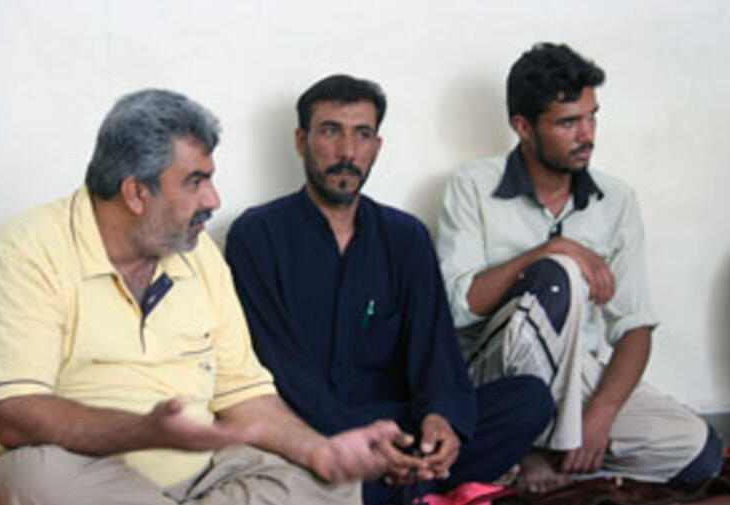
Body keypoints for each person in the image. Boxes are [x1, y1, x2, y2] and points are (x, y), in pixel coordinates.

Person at [0, 89, 406, 505]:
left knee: (330, 484)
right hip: (75, 476)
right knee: (39, 479)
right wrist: (143, 432)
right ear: (135, 193)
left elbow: (245, 396)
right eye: (195, 181)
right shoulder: (27, 251)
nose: (213, 199)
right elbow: (18, 418)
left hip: (199, 477)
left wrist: (321, 451)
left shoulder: (199, 255)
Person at [225, 74, 554, 505]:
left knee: (529, 400)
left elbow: (435, 352)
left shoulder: (405, 238)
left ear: (377, 147)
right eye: (330, 131)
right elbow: (278, 369)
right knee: (279, 460)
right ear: (301, 140)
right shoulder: (258, 235)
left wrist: (441, 420)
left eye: (362, 134)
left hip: (397, 428)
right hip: (307, 432)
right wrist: (361, 443)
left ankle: (404, 477)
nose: (347, 152)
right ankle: (407, 481)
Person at [435, 43, 723, 493]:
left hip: (578, 375)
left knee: (698, 454)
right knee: (559, 273)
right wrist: (552, 250)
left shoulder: (616, 200)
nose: (587, 134)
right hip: (494, 374)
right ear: (523, 127)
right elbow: (458, 306)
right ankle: (529, 447)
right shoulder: (472, 185)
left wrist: (600, 415)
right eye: (568, 122)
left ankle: (547, 455)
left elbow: (634, 326)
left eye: (592, 117)